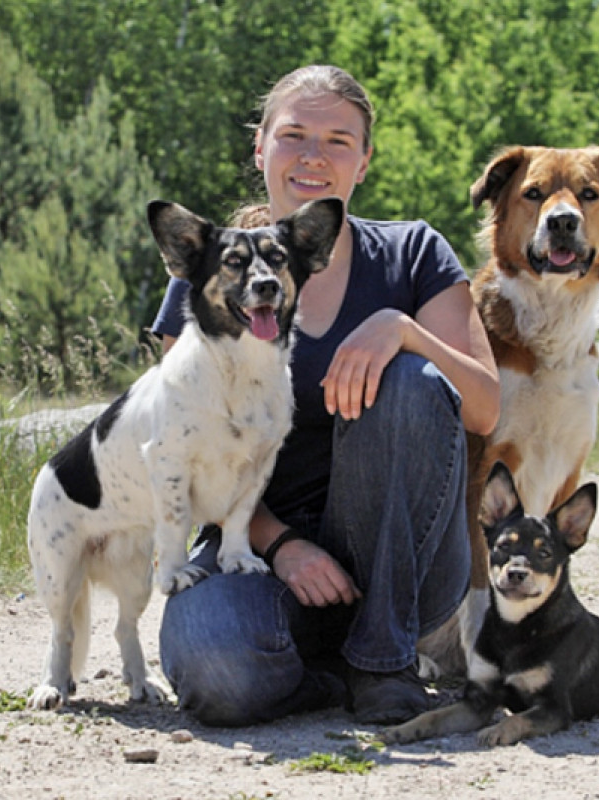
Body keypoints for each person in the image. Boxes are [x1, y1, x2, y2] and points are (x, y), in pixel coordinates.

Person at [151, 65, 500, 727]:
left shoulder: (413, 254)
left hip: (410, 559)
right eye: (295, 135)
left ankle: (384, 659)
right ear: (261, 147)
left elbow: (484, 407)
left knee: (412, 380)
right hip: (257, 547)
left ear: (364, 161)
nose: (314, 156)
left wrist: (402, 331)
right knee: (214, 669)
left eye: (339, 140)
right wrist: (282, 546)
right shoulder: (206, 279)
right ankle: (330, 677)